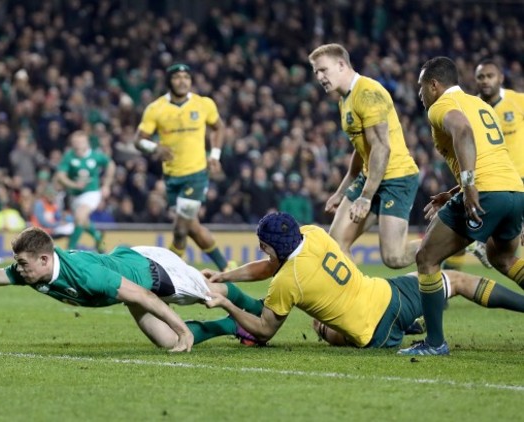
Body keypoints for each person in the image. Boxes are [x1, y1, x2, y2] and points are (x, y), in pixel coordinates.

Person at [199, 212, 524, 350]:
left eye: (264, 245)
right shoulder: (312, 232)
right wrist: (226, 274)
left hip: (375, 335)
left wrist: (227, 300)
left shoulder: (287, 281)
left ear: (276, 248)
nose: (261, 250)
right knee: (458, 281)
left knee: (320, 325)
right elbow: (268, 265)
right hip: (390, 295)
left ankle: (395, 329)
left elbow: (264, 330)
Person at [0, 227, 263, 352]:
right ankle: (234, 326)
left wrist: (184, 328)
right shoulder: (32, 271)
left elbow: (143, 296)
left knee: (209, 291)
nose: (18, 270)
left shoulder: (85, 275)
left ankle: (258, 309)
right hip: (128, 269)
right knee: (167, 343)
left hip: (154, 274)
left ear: (45, 260)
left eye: (24, 264)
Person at [397, 57, 524, 355]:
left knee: (426, 257)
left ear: (434, 85)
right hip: (515, 191)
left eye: (420, 87)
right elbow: (489, 154)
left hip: (486, 192)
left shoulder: (441, 105)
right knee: (503, 258)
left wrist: (467, 188)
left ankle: (434, 342)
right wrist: (454, 191)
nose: (418, 94)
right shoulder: (480, 105)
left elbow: (463, 132)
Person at [307, 44, 420, 269]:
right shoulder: (344, 100)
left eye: (323, 70)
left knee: (394, 258)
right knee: (336, 245)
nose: (319, 77)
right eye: (316, 72)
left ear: (341, 65)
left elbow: (381, 148)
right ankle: (364, 300)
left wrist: (365, 197)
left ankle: (444, 244)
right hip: (370, 176)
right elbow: (362, 149)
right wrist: (341, 191)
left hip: (397, 178)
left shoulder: (368, 93)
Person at [133, 63, 234, 271]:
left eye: (186, 77)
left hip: (196, 174)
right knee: (191, 227)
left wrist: (214, 155)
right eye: (177, 77)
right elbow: (138, 140)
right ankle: (227, 267)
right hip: (172, 177)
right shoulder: (156, 108)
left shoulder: (203, 104)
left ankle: (168, 271)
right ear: (169, 81)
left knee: (180, 229)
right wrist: (154, 148)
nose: (182, 81)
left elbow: (218, 128)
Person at [464, 59, 524, 267]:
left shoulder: (517, 101)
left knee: (506, 249)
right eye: (480, 77)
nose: (485, 81)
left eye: (490, 76)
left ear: (501, 78)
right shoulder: (471, 107)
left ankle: (478, 242)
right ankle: (448, 281)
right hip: (488, 176)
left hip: (519, 178)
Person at [56, 130, 116, 251]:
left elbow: (110, 164)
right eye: (75, 143)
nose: (77, 145)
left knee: (80, 216)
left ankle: (70, 249)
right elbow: (60, 176)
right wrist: (73, 184)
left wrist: (106, 185)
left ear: (87, 143)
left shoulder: (95, 156)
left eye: (80, 142)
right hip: (74, 195)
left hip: (92, 192)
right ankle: (98, 237)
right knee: (82, 221)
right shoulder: (69, 156)